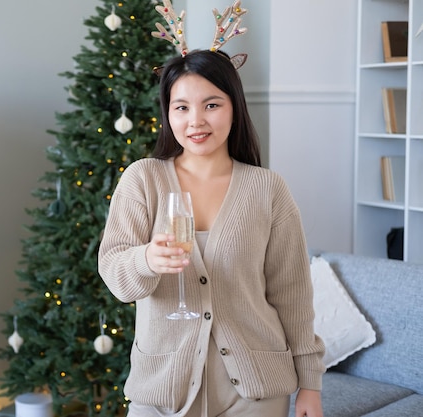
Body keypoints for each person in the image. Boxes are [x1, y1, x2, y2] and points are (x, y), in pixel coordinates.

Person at [97, 49, 325, 417]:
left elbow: (293, 294)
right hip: (162, 386)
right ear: (167, 113)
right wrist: (146, 260)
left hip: (257, 389)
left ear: (234, 107)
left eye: (212, 105)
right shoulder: (143, 179)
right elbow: (118, 279)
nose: (196, 121)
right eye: (181, 107)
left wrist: (310, 386)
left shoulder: (267, 189)